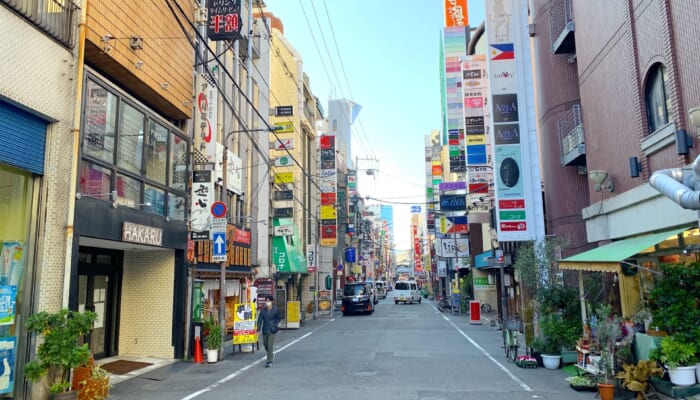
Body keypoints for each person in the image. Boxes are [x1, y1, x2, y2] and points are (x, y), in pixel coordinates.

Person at [257, 295, 281, 368]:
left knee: (270, 345)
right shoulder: (263, 310)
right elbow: (260, 320)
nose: (267, 302)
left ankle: (269, 360)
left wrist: (275, 324)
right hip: (265, 329)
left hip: (272, 329)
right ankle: (271, 354)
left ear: (272, 301)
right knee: (265, 344)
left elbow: (278, 318)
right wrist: (258, 330)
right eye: (266, 301)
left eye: (269, 301)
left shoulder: (275, 310)